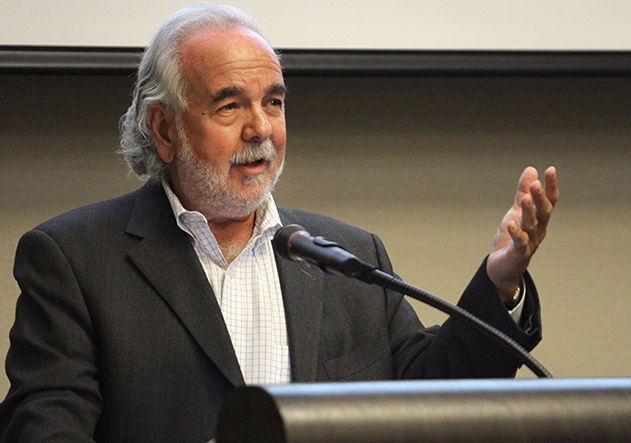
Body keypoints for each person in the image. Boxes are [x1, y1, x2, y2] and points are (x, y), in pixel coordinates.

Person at [0, 3, 559, 442]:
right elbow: (46, 430)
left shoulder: (349, 256)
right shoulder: (73, 260)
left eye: (273, 102)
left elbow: (428, 400)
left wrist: (498, 280)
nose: (260, 130)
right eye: (229, 106)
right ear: (165, 130)